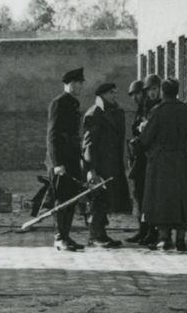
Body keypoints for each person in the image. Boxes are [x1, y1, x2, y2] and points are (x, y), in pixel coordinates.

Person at [136, 78, 187, 251]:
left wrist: (143, 130)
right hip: (181, 158)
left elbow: (146, 138)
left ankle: (164, 237)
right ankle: (181, 238)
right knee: (182, 197)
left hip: (161, 160)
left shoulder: (158, 111)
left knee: (162, 198)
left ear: (163, 91)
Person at [82, 82, 131, 247]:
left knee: (106, 200)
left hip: (112, 164)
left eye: (115, 92)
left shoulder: (114, 112)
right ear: (102, 95)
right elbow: (88, 144)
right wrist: (91, 169)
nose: (115, 95)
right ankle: (95, 235)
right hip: (99, 165)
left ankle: (101, 233)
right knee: (98, 199)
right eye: (111, 93)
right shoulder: (95, 113)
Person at [46, 67, 86, 252]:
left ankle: (66, 235)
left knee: (71, 198)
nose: (80, 86)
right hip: (61, 159)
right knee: (62, 198)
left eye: (81, 83)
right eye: (77, 83)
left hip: (71, 158)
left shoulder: (73, 103)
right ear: (68, 84)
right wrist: (57, 164)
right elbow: (52, 136)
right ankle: (59, 238)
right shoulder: (59, 103)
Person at [126, 74, 162, 244]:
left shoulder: (154, 107)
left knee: (149, 195)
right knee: (139, 194)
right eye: (133, 95)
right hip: (139, 157)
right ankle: (143, 229)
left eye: (138, 93)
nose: (136, 97)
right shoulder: (142, 109)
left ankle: (152, 231)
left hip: (149, 157)